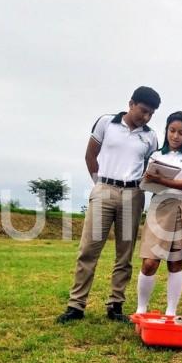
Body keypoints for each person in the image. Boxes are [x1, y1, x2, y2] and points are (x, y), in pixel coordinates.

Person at [57, 87, 160, 324]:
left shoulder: (151, 136)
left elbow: (150, 167)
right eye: (143, 111)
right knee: (89, 250)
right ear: (131, 103)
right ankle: (76, 305)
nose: (146, 117)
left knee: (125, 253)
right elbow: (90, 155)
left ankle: (116, 304)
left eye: (151, 114)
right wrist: (100, 185)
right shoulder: (106, 123)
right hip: (104, 188)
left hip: (133, 193)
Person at [135, 111, 182, 316]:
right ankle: (141, 309)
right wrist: (150, 179)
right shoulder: (157, 155)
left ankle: (170, 312)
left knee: (176, 261)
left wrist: (164, 180)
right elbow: (147, 182)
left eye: (181, 133)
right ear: (166, 130)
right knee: (150, 261)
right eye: (172, 131)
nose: (175, 136)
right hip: (160, 207)